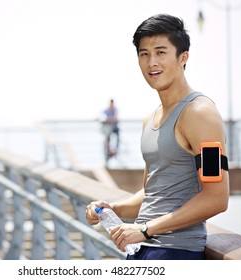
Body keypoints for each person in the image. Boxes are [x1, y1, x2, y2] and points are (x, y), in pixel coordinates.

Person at [85, 14, 229, 260]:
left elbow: (216, 198)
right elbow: (152, 191)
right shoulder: (149, 120)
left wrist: (145, 229)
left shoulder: (200, 113)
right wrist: (114, 208)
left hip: (175, 251)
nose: (152, 62)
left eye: (161, 52)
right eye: (144, 54)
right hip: (141, 248)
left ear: (183, 57)